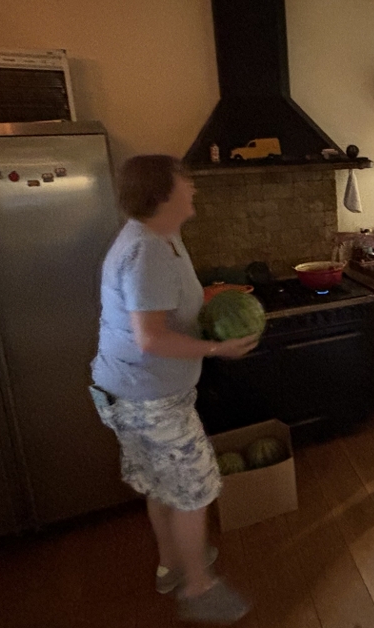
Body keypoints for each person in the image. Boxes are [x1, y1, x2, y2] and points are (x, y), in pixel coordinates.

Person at [90, 155, 258, 625]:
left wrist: (212, 300)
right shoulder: (147, 251)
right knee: (194, 489)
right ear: (162, 194)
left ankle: (171, 565)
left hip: (136, 393)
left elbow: (166, 308)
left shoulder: (163, 237)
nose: (193, 187)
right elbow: (151, 338)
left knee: (162, 483)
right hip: (149, 399)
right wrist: (217, 349)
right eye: (186, 182)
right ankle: (198, 589)